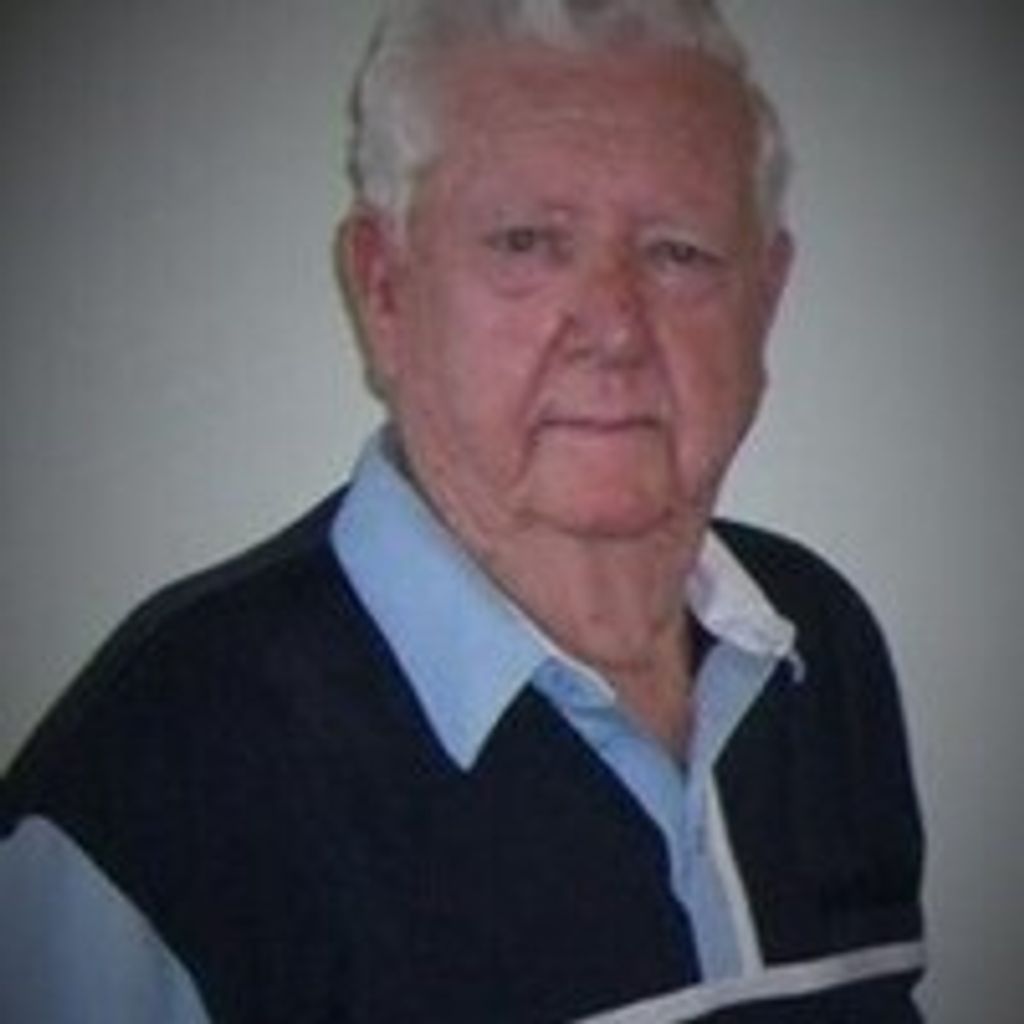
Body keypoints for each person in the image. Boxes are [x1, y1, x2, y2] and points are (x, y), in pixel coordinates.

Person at [0, 1, 926, 1020]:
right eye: (527, 242)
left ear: (767, 297)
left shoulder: (816, 645)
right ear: (383, 290)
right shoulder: (161, 772)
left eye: (678, 252)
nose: (614, 327)